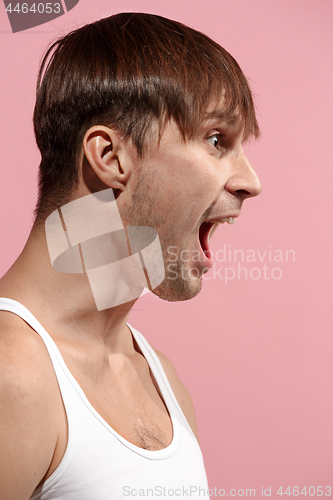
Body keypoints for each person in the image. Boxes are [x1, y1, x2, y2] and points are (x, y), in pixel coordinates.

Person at [0, 12, 262, 500]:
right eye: (216, 140)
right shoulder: (11, 374)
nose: (251, 181)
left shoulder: (160, 379)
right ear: (111, 157)